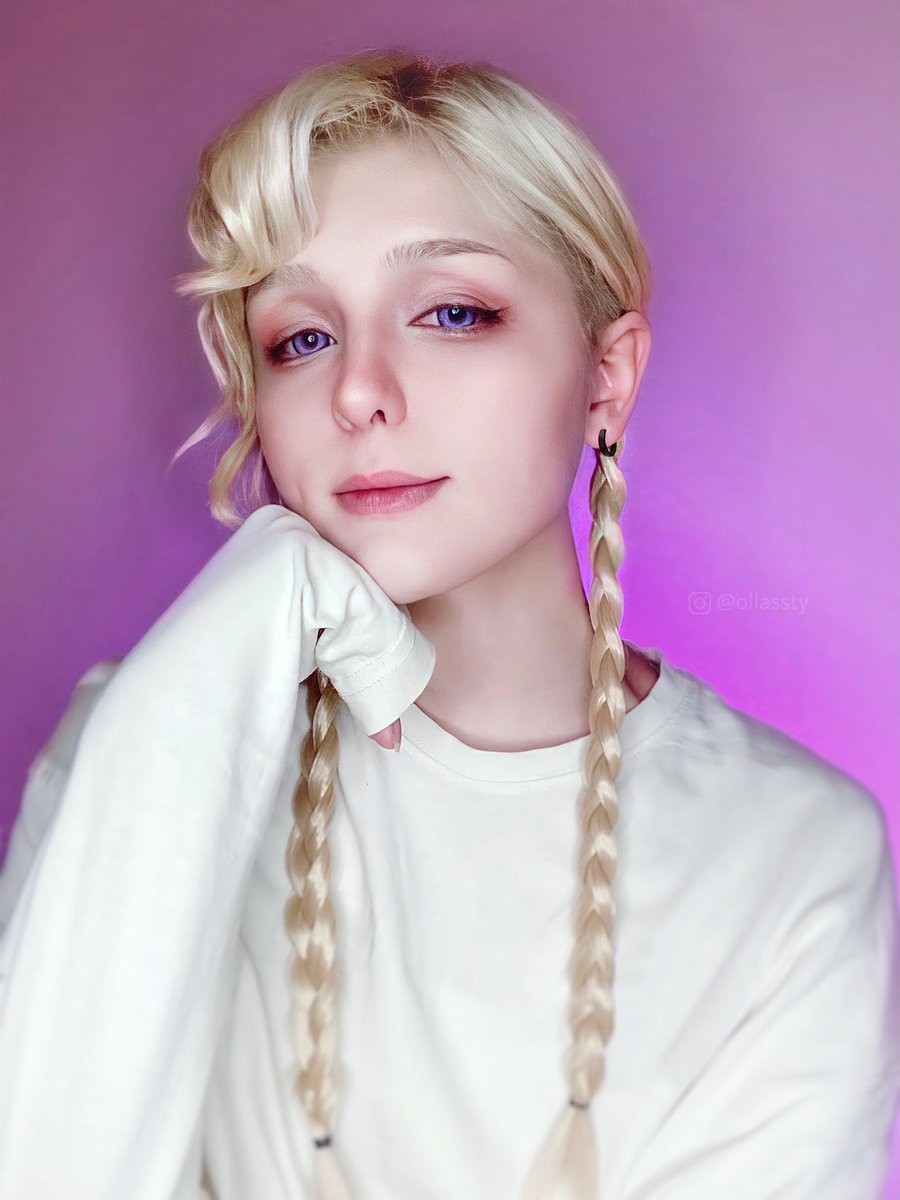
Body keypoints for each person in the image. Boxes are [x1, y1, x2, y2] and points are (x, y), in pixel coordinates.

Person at [1, 47, 898, 1200]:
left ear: (605, 379)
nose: (357, 391)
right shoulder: (146, 740)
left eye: (454, 313)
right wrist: (203, 680)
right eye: (302, 338)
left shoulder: (792, 851)